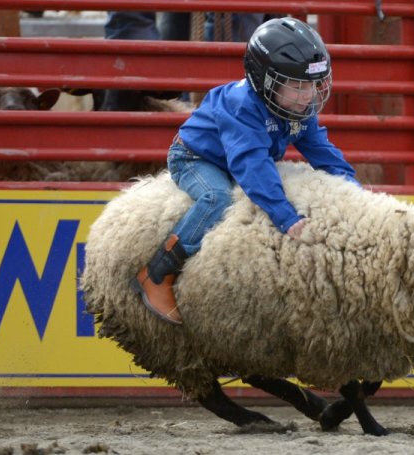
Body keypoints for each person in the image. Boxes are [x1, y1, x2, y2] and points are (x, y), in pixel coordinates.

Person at [131, 17, 359, 324]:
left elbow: (322, 152)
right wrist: (286, 217)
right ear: (264, 80)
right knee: (218, 199)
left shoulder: (296, 108)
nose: (308, 95)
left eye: (314, 85)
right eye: (298, 86)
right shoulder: (241, 107)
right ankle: (158, 272)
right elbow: (251, 165)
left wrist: (353, 192)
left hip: (235, 158)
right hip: (198, 158)